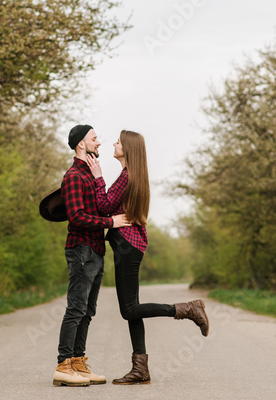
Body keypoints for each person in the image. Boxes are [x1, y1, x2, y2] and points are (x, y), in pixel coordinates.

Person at [89, 129, 209, 385]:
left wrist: (98, 177)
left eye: (118, 141)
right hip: (131, 244)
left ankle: (188, 309)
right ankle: (140, 369)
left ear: (128, 148)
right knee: (133, 310)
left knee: (129, 309)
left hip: (126, 245)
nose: (113, 143)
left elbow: (104, 207)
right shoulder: (133, 175)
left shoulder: (126, 176)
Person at [53, 124, 130, 387]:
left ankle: (78, 362)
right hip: (81, 249)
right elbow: (76, 217)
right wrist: (111, 223)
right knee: (76, 308)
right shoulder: (73, 175)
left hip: (96, 250)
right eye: (94, 139)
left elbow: (101, 204)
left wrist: (101, 182)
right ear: (81, 145)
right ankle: (63, 364)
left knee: (87, 310)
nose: (99, 142)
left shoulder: (90, 173)